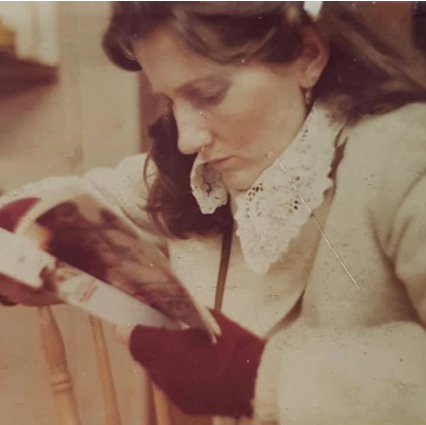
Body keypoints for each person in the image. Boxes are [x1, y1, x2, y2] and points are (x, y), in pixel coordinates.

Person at [2, 2, 426, 424]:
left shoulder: (406, 155)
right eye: (170, 101)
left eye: (208, 94)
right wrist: (13, 246)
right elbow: (70, 201)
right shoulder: (197, 172)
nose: (187, 139)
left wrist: (254, 376)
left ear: (309, 56)